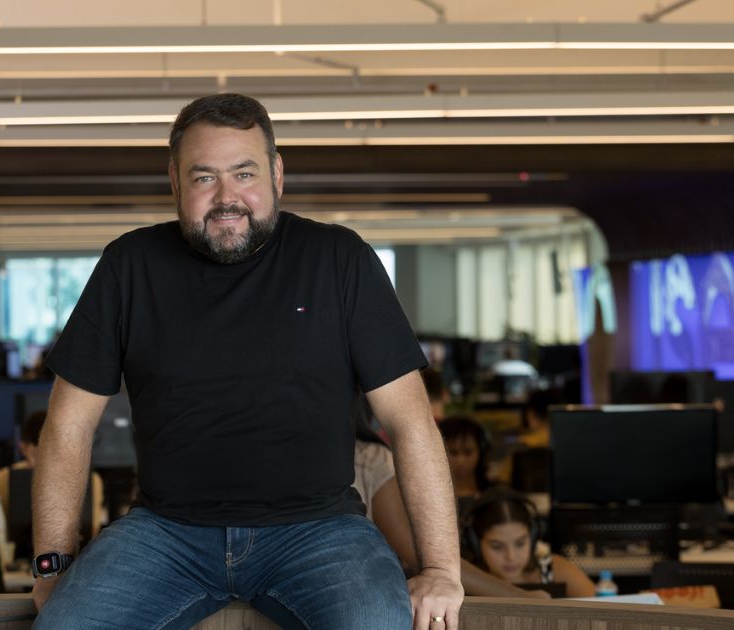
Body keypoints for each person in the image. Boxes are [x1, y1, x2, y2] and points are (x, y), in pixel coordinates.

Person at [31, 93, 463, 630]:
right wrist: (53, 563)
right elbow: (68, 425)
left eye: (244, 173)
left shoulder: (340, 260)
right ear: (175, 182)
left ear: (278, 174)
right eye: (204, 177)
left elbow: (410, 422)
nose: (226, 197)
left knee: (377, 620)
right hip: (166, 533)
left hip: (319, 531)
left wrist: (443, 568)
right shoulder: (129, 266)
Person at [353, 404, 549, 599]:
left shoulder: (369, 459)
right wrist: (521, 596)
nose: (510, 556)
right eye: (454, 452)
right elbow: (418, 552)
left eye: (468, 452)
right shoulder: (371, 460)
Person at [0, 410, 104, 541]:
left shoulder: (90, 480)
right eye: (40, 458)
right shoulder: (4, 479)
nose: (47, 468)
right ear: (23, 449)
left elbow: (92, 530)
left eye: (55, 457)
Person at [462, 490, 595, 598]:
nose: (511, 557)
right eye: (497, 546)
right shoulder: (462, 579)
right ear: (476, 544)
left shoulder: (555, 570)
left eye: (520, 543)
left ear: (533, 538)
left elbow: (602, 610)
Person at [438, 416, 492, 510]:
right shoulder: (428, 495)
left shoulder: (493, 494)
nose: (460, 461)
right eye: (453, 453)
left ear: (481, 453)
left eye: (468, 452)